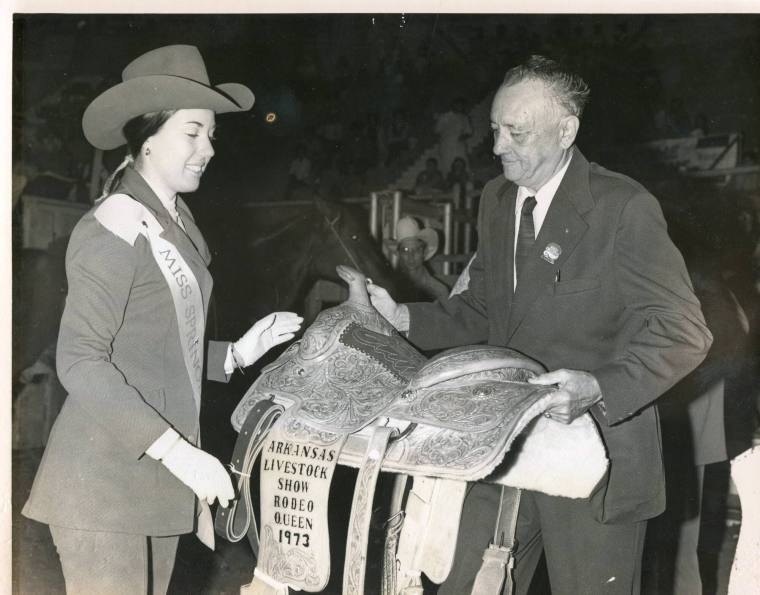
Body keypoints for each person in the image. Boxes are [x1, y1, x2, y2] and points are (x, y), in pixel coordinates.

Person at [368, 55, 712, 595]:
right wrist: (402, 316)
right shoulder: (496, 199)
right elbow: (482, 309)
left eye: (517, 132)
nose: (499, 146)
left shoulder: (622, 207)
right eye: (494, 130)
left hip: (597, 460)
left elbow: (685, 333)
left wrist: (598, 388)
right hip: (505, 448)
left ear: (566, 129)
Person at [21, 45, 303, 595]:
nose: (208, 149)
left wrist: (238, 352)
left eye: (212, 135)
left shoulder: (172, 220)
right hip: (104, 483)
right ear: (148, 137)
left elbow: (155, 345)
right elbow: (80, 361)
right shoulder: (114, 224)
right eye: (193, 132)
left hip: (155, 482)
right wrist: (179, 452)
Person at [393, 216, 450, 302]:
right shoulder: (390, 288)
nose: (411, 255)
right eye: (405, 250)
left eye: (416, 249)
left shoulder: (439, 291)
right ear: (399, 253)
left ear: (424, 252)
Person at [435, 97, 473, 174]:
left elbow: (469, 132)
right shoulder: (445, 116)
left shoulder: (464, 117)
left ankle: (464, 183)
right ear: (453, 105)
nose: (459, 107)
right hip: (446, 145)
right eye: (457, 105)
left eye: (461, 105)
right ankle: (448, 182)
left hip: (459, 145)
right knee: (447, 164)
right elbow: (437, 130)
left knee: (463, 163)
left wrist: (463, 137)